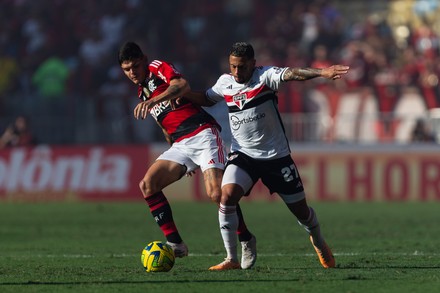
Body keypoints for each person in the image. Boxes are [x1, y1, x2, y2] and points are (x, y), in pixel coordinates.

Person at [181, 42, 349, 270]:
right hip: (243, 155)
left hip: (276, 157)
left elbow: (292, 74)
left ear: (253, 64)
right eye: (233, 67)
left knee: (302, 213)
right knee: (226, 196)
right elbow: (207, 98)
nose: (237, 72)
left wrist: (322, 72)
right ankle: (232, 258)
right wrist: (184, 95)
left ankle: (318, 241)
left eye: (241, 67)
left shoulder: (265, 76)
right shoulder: (225, 82)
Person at [118, 41, 256, 268]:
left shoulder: (156, 67)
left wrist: (154, 100)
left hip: (203, 134)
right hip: (181, 145)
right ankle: (175, 243)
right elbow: (164, 123)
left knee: (216, 194)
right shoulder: (141, 91)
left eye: (135, 66)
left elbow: (181, 85)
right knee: (147, 185)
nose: (132, 73)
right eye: (126, 69)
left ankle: (246, 239)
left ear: (143, 59)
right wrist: (182, 160)